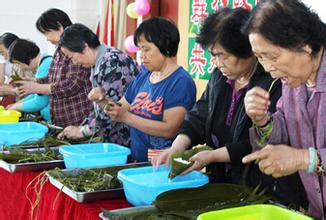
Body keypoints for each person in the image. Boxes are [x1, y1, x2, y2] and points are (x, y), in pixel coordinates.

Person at [153, 8, 306, 208]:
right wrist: (177, 147)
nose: (217, 63)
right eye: (213, 56)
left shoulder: (274, 82)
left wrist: (214, 155)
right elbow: (200, 115)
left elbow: (263, 142)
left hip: (261, 191)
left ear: (247, 50)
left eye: (222, 56)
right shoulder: (219, 77)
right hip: (221, 184)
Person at [241, 0, 326, 218]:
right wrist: (261, 120)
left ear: (305, 44)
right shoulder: (292, 84)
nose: (268, 69)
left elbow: (299, 157)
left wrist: (303, 159)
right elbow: (284, 131)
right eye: (260, 58)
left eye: (273, 57)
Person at [92, 17, 196, 162]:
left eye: (146, 49)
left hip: (164, 164)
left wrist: (126, 117)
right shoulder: (144, 75)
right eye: (140, 49)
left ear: (165, 47)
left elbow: (170, 129)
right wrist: (102, 101)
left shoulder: (180, 81)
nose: (142, 55)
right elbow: (119, 109)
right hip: (139, 160)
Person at [57, 23, 139, 146]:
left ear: (84, 47)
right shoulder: (98, 63)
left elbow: (113, 109)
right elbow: (99, 106)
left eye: (71, 57)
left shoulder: (112, 61)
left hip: (129, 138)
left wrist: (83, 131)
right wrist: (81, 127)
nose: (74, 62)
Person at [14, 8, 93, 127]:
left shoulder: (75, 47)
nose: (47, 38)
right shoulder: (59, 50)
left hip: (77, 121)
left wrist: (39, 88)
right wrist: (35, 82)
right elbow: (54, 78)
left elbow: (72, 84)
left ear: (59, 26)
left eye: (47, 33)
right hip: (62, 122)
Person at [6, 39, 52, 122]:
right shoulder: (45, 61)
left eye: (18, 63)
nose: (20, 67)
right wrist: (18, 104)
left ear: (26, 57)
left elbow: (39, 102)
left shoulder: (45, 66)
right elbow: (37, 95)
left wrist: (15, 107)